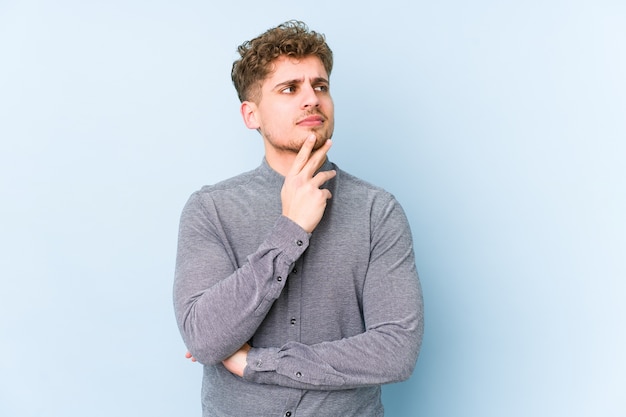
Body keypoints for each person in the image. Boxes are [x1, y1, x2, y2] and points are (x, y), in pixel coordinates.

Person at [173, 20, 424, 417]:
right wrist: (290, 229)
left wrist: (259, 363)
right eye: (290, 89)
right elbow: (205, 338)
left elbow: (396, 349)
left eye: (320, 86)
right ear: (250, 114)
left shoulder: (378, 211)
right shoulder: (211, 209)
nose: (312, 99)